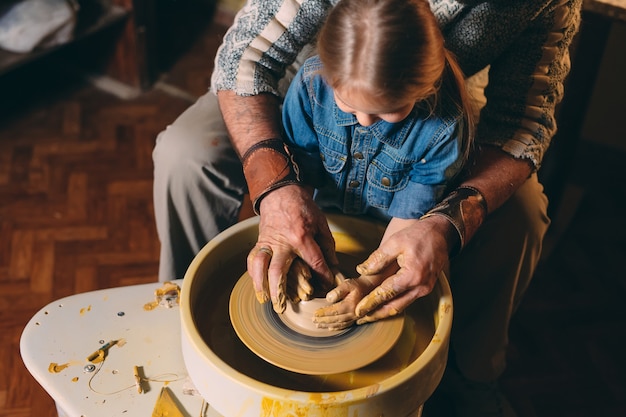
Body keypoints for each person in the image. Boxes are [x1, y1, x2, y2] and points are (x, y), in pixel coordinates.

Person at [152, 0, 582, 414]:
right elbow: (246, 58)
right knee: (184, 154)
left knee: (522, 217)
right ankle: (188, 325)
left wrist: (434, 229)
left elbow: (522, 124)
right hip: (319, 79)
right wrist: (279, 188)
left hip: (424, 108)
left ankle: (469, 377)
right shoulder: (317, 84)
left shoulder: (443, 122)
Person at [278, 0, 474, 326]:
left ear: (424, 87)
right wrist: (298, 244)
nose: (366, 121)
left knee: (427, 304)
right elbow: (300, 176)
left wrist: (371, 283)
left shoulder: (443, 124)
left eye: (388, 109)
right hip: (323, 218)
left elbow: (410, 217)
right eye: (348, 104)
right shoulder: (311, 85)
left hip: (396, 233)